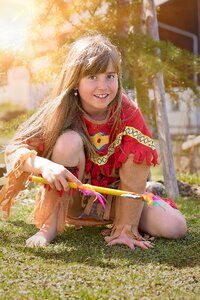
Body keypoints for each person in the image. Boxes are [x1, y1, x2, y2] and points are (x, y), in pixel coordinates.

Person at [0, 34, 187, 249]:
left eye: (110, 76)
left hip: (116, 201)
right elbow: (15, 149)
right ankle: (49, 226)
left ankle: (124, 227)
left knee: (175, 227)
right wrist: (45, 165)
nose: (103, 86)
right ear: (75, 81)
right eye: (92, 77)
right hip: (73, 199)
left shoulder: (127, 111)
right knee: (68, 141)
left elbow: (139, 163)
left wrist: (127, 227)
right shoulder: (60, 110)